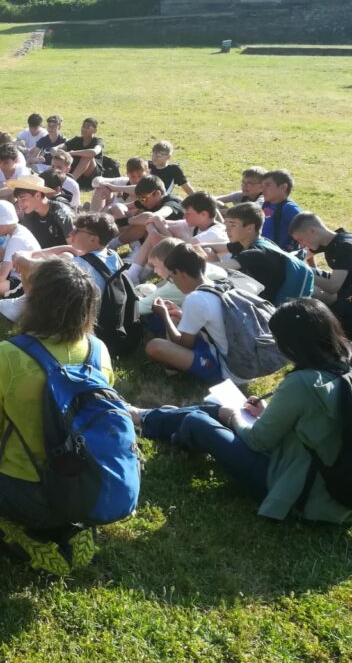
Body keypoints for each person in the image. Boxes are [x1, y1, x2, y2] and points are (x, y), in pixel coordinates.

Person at [132, 298, 351, 524]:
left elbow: (258, 441)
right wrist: (266, 413)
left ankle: (174, 428)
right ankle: (151, 417)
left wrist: (233, 416)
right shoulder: (343, 369)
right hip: (334, 497)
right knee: (216, 411)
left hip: (297, 493)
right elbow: (315, 429)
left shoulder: (303, 383)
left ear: (294, 345)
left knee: (199, 420)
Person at [0, 259, 107, 563]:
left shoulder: (4, 355)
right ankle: (74, 530)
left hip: (28, 494)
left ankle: (14, 534)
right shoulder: (98, 349)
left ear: (35, 302)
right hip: (90, 487)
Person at [0, 213, 122, 322]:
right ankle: (19, 304)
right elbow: (69, 249)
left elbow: (31, 265)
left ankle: (23, 309)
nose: (71, 233)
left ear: (93, 239)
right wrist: (66, 248)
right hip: (100, 311)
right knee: (66, 255)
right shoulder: (112, 255)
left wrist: (20, 257)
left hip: (79, 319)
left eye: (77, 230)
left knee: (29, 268)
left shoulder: (81, 265)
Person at [145, 243, 241, 383]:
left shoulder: (195, 299)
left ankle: (175, 369)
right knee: (175, 317)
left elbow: (184, 344)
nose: (174, 282)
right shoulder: (218, 286)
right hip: (241, 360)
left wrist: (164, 315)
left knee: (154, 347)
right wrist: (180, 313)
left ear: (180, 273)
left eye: (172, 278)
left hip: (227, 370)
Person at [206, 202, 312, 306]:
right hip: (253, 297)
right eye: (226, 224)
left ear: (250, 228)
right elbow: (217, 248)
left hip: (266, 309)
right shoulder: (248, 242)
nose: (226, 229)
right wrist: (193, 248)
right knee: (208, 251)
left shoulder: (258, 253)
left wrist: (191, 263)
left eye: (232, 225)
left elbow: (218, 268)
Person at [124, 191, 227, 284]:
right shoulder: (197, 224)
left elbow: (185, 251)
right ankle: (135, 274)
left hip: (209, 276)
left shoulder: (215, 232)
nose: (184, 216)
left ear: (204, 214)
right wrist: (155, 223)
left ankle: (135, 274)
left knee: (155, 235)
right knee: (156, 229)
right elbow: (155, 220)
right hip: (191, 268)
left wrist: (153, 229)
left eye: (188, 214)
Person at [289, 212, 352, 336]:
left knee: (329, 322)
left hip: (347, 298)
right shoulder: (334, 238)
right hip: (346, 288)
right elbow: (307, 254)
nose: (301, 245)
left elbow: (333, 287)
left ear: (312, 230)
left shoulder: (343, 247)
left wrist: (304, 270)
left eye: (300, 239)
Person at [113, 175, 185, 253]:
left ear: (157, 194)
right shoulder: (148, 200)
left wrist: (126, 221)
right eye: (139, 199)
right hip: (152, 240)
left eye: (143, 199)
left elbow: (153, 216)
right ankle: (136, 247)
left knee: (149, 221)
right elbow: (121, 207)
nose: (141, 201)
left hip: (173, 245)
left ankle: (113, 244)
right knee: (118, 207)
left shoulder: (172, 202)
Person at [13, 175, 75, 249]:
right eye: (18, 200)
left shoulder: (62, 213)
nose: (19, 204)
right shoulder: (29, 213)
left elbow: (75, 248)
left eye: (23, 199)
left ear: (38, 195)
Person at [260, 169, 301, 252]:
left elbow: (308, 230)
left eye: (268, 185)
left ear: (283, 187)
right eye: (262, 186)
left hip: (279, 256)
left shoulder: (289, 208)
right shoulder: (266, 204)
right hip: (263, 251)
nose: (263, 190)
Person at [60, 117, 104, 189]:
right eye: (83, 127)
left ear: (95, 130)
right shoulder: (77, 139)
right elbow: (62, 148)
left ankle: (70, 182)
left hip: (92, 174)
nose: (84, 129)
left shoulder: (98, 141)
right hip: (77, 170)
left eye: (88, 127)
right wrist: (55, 149)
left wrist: (73, 153)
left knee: (88, 156)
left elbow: (93, 152)